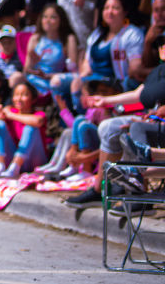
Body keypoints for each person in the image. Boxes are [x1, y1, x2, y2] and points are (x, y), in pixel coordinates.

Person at [64, 37, 165, 209]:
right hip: (151, 119)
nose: (163, 48)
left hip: (157, 123)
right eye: (162, 45)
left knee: (136, 127)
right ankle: (101, 188)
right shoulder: (158, 72)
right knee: (108, 126)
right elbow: (138, 94)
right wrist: (105, 100)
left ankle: (138, 192)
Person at [79, 0, 145, 95]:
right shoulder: (97, 34)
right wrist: (82, 79)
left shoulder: (132, 34)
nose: (110, 12)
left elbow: (135, 67)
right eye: (106, 8)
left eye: (115, 8)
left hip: (115, 82)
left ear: (125, 12)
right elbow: (86, 63)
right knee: (70, 82)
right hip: (93, 79)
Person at [25, 3, 80, 112]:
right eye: (45, 17)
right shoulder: (36, 38)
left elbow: (73, 69)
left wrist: (47, 75)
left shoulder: (68, 39)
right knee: (15, 79)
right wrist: (32, 62)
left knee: (55, 82)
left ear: (61, 20)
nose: (48, 20)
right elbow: (26, 70)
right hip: (34, 80)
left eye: (53, 17)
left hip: (53, 80)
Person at [0, 81, 48, 178]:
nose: (19, 99)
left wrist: (11, 115)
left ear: (33, 99)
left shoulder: (38, 114)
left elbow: (37, 121)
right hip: (14, 156)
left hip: (34, 161)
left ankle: (15, 167)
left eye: (24, 95)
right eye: (16, 95)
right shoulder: (9, 110)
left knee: (30, 127)